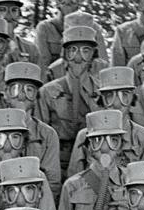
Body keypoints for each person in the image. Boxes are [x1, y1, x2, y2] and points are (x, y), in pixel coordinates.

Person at [57, 109, 129, 210]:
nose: (105, 148)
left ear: (120, 146)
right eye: (97, 141)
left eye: (113, 141)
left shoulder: (132, 182)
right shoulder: (73, 186)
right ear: (88, 147)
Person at [0, 63, 61, 198]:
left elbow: (52, 182)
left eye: (29, 90)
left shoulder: (48, 135)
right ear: (5, 93)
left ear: (36, 96)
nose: (22, 96)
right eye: (15, 89)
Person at [38, 26, 105, 173]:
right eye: (72, 51)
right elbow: (40, 135)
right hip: (57, 160)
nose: (78, 57)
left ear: (93, 56)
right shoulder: (47, 92)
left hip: (92, 160)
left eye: (85, 51)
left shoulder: (103, 91)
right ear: (65, 55)